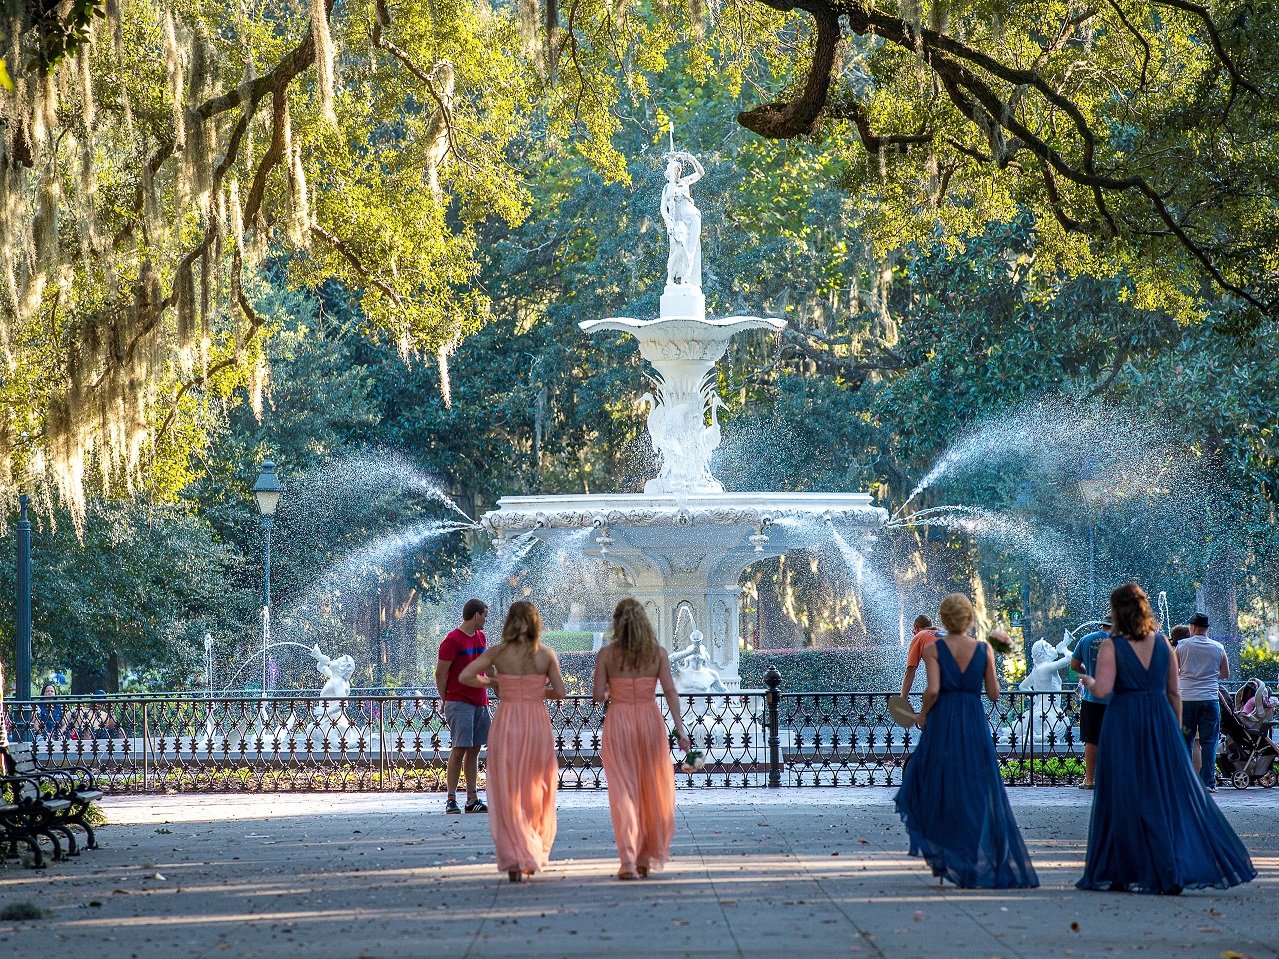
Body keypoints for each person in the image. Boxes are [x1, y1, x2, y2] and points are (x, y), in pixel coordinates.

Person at [1077, 583, 1254, 894]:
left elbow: (1103, 690)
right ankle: (1167, 869)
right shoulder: (1162, 644)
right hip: (1159, 720)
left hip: (1123, 722)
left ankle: (1120, 872)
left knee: (1122, 792)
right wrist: (1175, 729)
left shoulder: (1112, 645)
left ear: (1117, 612)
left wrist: (1088, 680)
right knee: (1160, 794)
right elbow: (1174, 692)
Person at [894, 593, 1038, 889]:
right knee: (974, 786)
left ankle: (941, 852)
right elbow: (995, 693)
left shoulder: (934, 649)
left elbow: (933, 690)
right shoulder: (984, 650)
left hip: (944, 720)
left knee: (936, 782)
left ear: (944, 619)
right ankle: (970, 854)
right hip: (972, 722)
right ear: (969, 619)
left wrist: (922, 714)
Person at [460, 601, 566, 882]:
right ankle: (529, 849)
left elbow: (465, 676)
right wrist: (534, 693)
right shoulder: (544, 655)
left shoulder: (498, 652)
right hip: (535, 724)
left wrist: (495, 684)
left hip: (506, 723)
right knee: (536, 786)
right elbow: (561, 692)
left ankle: (513, 855)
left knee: (508, 788)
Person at [592, 598, 691, 880]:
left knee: (623, 790)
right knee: (651, 788)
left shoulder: (607, 654)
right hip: (650, 722)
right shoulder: (657, 653)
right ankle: (646, 856)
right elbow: (671, 692)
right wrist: (680, 729)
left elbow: (598, 696)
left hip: (619, 722)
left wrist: (614, 690)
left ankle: (627, 860)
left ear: (616, 623)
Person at [435, 599, 491, 814]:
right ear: (476, 615)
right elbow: (440, 673)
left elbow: (484, 667)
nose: (486, 620)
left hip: (480, 701)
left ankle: (472, 798)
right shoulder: (452, 640)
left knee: (475, 749)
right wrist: (446, 698)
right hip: (459, 701)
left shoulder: (481, 637)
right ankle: (451, 799)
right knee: (459, 749)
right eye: (485, 615)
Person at [1178, 612, 1230, 791]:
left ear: (1192, 627)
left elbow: (1174, 670)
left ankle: (1184, 781)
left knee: (1185, 741)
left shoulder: (1182, 646)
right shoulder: (1218, 647)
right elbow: (1225, 674)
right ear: (1207, 628)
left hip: (1186, 700)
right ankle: (1208, 783)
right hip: (1209, 700)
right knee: (1209, 742)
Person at [1069, 618, 1112, 790]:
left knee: (1091, 739)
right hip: (1115, 698)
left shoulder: (1086, 639)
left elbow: (1074, 665)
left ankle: (1089, 780)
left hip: (1091, 697)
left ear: (1102, 625)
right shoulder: (1122, 642)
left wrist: (1088, 673)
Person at [900, 614, 942, 698]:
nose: (914, 634)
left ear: (916, 627)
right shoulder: (943, 632)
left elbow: (910, 671)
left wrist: (902, 699)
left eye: (913, 632)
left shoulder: (920, 636)